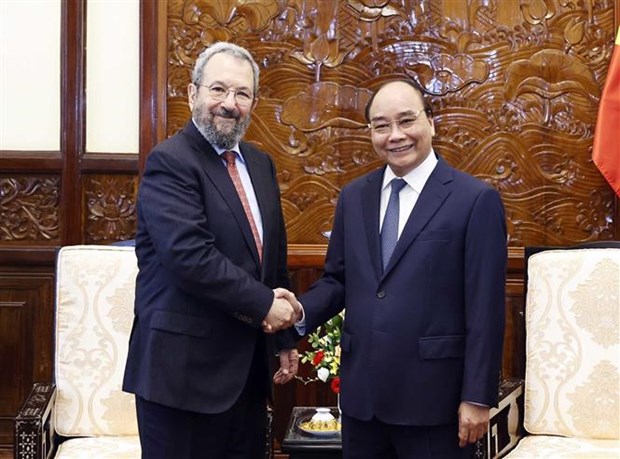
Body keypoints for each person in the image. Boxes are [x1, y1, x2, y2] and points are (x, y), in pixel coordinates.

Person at [287, 80, 507, 458]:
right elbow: (338, 280)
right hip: (363, 405)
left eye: (407, 121)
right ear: (370, 131)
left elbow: (485, 308)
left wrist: (477, 396)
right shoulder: (354, 197)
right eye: (382, 125)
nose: (396, 135)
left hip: (434, 405)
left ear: (431, 122)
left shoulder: (475, 200)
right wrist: (297, 312)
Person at [123, 41, 300, 459]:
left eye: (241, 94)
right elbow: (190, 257)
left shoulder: (260, 163)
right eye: (218, 89)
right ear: (193, 94)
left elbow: (271, 257)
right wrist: (264, 305)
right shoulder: (170, 161)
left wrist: (286, 335)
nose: (229, 104)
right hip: (181, 380)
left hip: (247, 378)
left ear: (253, 102)